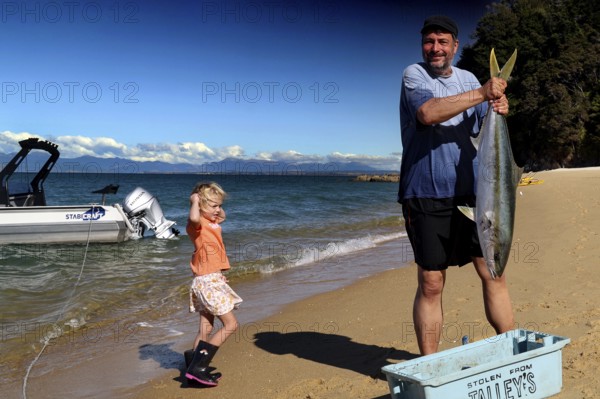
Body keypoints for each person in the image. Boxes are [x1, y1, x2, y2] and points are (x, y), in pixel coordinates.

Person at [398, 15, 514, 355]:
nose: (435, 48)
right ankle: (429, 363)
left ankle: (511, 348)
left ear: (455, 46)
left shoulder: (468, 78)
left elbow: (484, 123)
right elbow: (428, 113)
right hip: (425, 193)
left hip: (476, 192)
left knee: (494, 271)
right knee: (432, 282)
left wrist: (499, 106)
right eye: (429, 41)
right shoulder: (414, 75)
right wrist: (483, 92)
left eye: (443, 41)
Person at [184, 182, 242, 386]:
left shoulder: (213, 222)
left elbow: (222, 216)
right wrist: (195, 201)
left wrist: (215, 202)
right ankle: (199, 367)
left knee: (205, 328)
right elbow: (193, 217)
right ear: (199, 206)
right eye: (214, 206)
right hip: (207, 282)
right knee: (231, 324)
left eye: (219, 205)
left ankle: (193, 364)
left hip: (208, 279)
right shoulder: (197, 224)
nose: (218, 210)